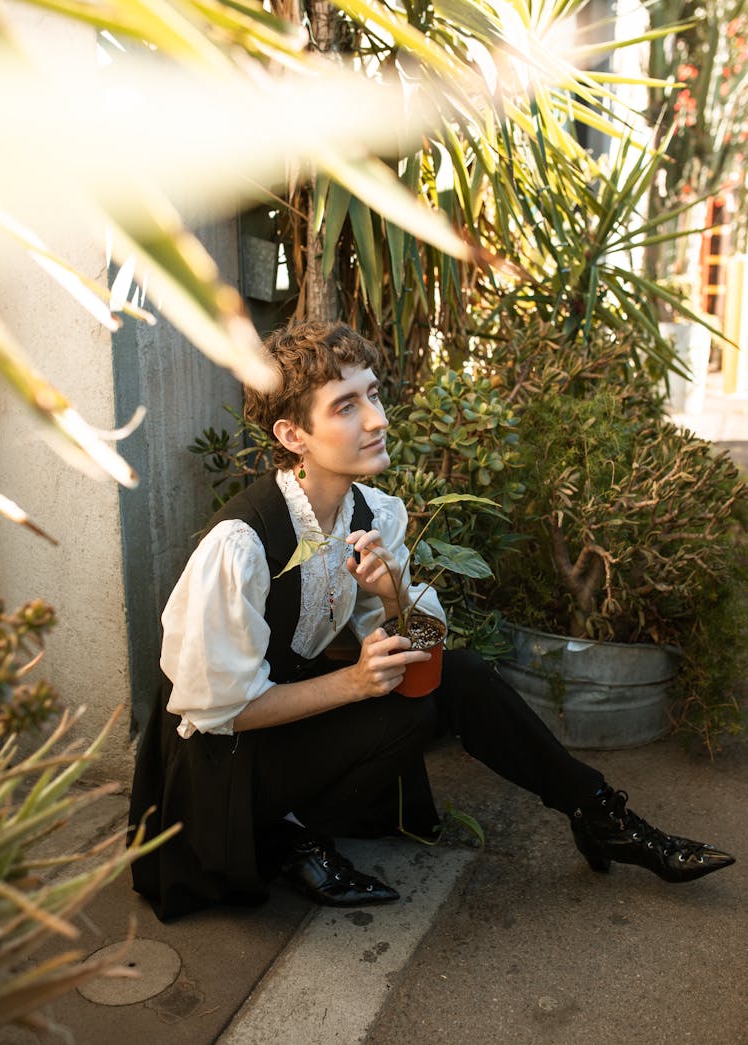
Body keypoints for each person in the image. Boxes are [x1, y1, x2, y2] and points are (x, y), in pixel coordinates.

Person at [129, 321, 735, 920]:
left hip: (286, 726)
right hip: (219, 765)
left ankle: (600, 815)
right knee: (408, 699)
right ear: (293, 434)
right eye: (345, 406)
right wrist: (353, 683)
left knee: (459, 675)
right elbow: (218, 711)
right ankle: (281, 835)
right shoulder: (240, 544)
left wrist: (393, 597)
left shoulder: (370, 514)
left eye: (372, 394)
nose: (376, 418)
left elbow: (428, 645)